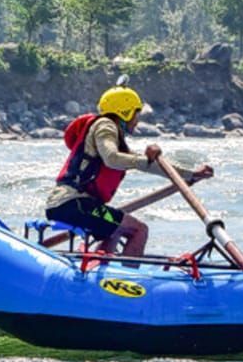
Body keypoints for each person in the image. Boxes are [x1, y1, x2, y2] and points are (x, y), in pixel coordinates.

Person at [44, 84, 212, 257]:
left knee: (116, 228)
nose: (137, 120)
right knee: (139, 230)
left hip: (71, 204)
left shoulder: (112, 133)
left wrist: (191, 174)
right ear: (125, 112)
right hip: (74, 204)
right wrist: (141, 161)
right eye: (136, 113)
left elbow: (148, 165)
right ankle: (129, 279)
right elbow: (111, 158)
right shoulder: (106, 126)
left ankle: (101, 270)